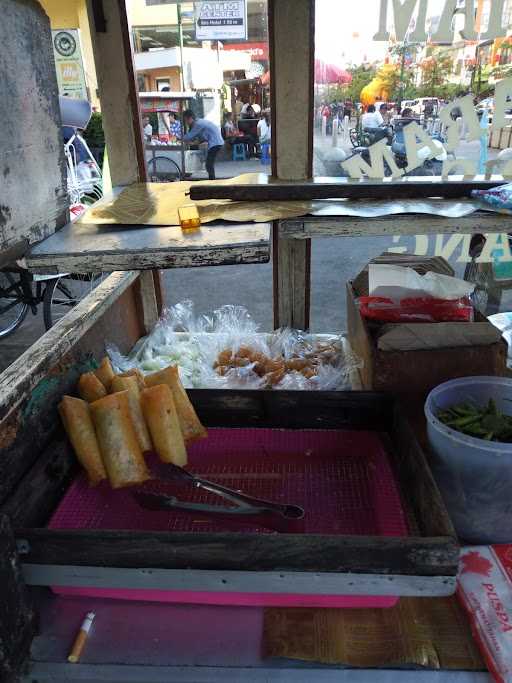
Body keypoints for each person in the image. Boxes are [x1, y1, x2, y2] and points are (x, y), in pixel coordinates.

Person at [183, 109, 224, 180]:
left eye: (186, 120)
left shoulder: (198, 124)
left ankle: (212, 181)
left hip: (215, 143)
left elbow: (189, 136)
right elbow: (202, 138)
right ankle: (212, 180)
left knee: (209, 164)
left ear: (190, 118)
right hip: (216, 142)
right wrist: (193, 143)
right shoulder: (199, 122)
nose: (186, 123)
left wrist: (178, 138)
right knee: (209, 164)